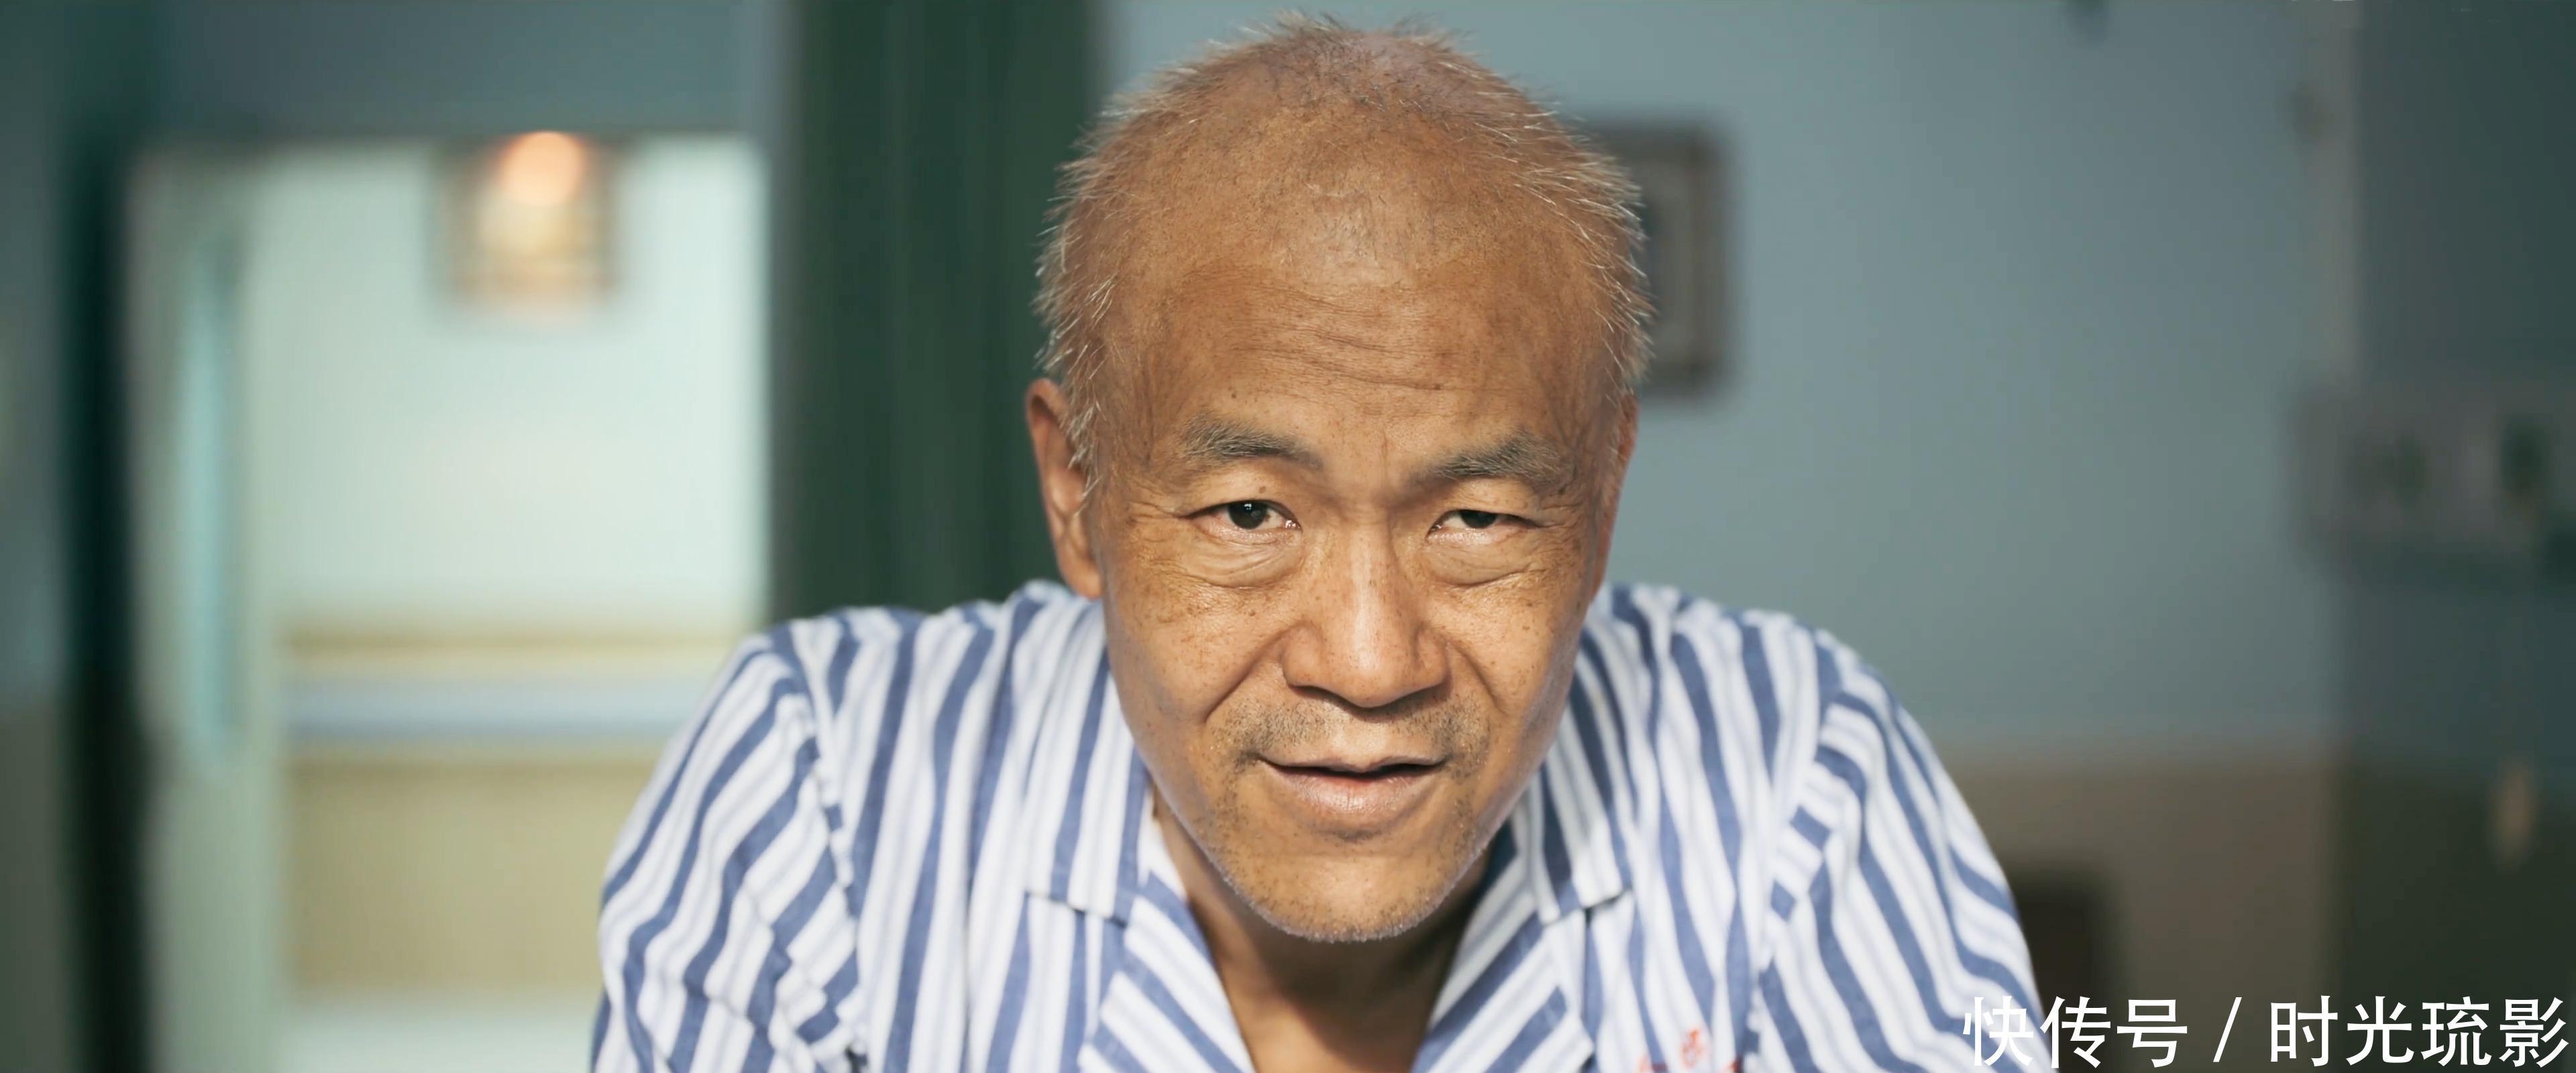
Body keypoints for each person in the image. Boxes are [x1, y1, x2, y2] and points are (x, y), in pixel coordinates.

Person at [594, 17, 2042, 1073]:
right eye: (1248, 514)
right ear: (1077, 491)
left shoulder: (1793, 769)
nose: (1367, 661)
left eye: (1476, 518)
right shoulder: (823, 789)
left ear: (1601, 506)